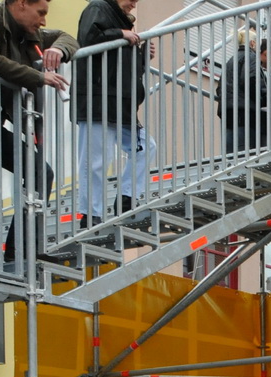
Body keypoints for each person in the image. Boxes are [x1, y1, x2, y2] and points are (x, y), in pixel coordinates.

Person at [0, 0, 73, 258]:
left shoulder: (31, 33)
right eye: (40, 13)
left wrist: (59, 49)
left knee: (41, 172)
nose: (43, 21)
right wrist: (38, 77)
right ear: (20, 4)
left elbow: (66, 37)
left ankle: (22, 248)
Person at [74, 0, 154, 223]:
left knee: (146, 146)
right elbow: (88, 40)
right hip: (98, 99)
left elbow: (123, 66)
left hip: (118, 102)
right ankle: (91, 214)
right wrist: (120, 34)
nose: (134, 4)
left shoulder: (118, 19)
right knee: (96, 160)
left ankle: (126, 198)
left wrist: (142, 57)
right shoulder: (98, 7)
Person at [216, 28, 271, 153]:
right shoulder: (251, 57)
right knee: (244, 152)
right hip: (244, 112)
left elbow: (219, 88)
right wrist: (263, 99)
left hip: (227, 111)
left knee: (230, 153)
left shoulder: (231, 60)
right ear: (252, 43)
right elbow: (251, 80)